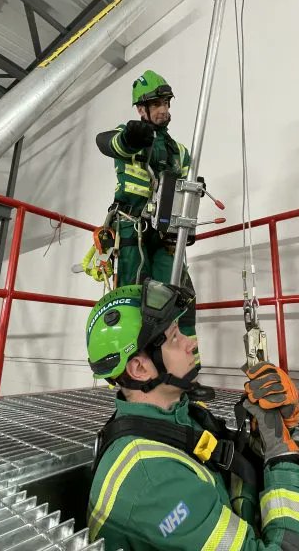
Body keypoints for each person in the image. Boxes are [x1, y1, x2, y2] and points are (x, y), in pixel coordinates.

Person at [84, 279, 299, 550]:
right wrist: (282, 456)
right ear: (139, 369)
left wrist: (267, 435)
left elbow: (227, 481)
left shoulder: (178, 417)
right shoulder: (154, 481)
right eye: (174, 337)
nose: (190, 342)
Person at [96, 69, 207, 397]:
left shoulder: (179, 151)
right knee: (132, 301)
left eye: (165, 102)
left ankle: (186, 376)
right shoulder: (129, 138)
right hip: (133, 234)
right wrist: (130, 137)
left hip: (168, 237)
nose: (162, 109)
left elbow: (188, 189)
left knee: (181, 299)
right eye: (155, 103)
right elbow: (107, 142)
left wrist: (189, 219)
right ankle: (131, 378)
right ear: (141, 109)